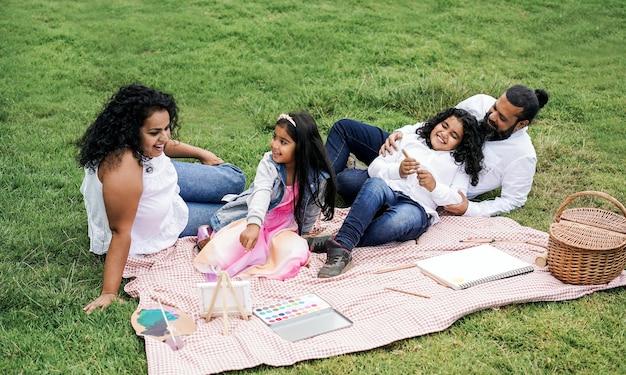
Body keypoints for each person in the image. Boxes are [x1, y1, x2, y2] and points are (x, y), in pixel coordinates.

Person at [77, 84, 245, 313]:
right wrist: (109, 293)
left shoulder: (143, 146)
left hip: (163, 184)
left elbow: (162, 145)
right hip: (160, 224)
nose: (164, 137)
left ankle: (229, 198)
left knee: (234, 179)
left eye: (166, 128)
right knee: (239, 211)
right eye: (155, 132)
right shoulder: (123, 170)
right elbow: (120, 232)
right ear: (130, 131)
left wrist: (200, 153)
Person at [326, 84, 549, 217]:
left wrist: (469, 208)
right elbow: (438, 123)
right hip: (413, 150)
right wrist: (401, 133)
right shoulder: (479, 101)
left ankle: (355, 177)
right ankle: (313, 188)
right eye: (494, 108)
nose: (490, 116)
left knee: (348, 182)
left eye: (501, 118)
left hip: (430, 186)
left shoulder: (522, 156)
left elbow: (513, 200)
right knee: (345, 128)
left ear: (521, 124)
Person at [318, 108, 484, 278]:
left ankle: (339, 240)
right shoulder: (412, 140)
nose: (444, 133)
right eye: (444, 125)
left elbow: (457, 199)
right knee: (374, 184)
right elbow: (375, 168)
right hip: (389, 190)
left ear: (461, 144)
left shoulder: (459, 165)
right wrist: (398, 171)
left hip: (416, 208)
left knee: (398, 221)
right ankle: (342, 247)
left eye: (454, 135)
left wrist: (435, 187)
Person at [193, 111, 336, 281]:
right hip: (258, 218)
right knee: (233, 250)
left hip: (285, 227)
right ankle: (210, 239)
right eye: (275, 137)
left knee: (295, 252)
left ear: (301, 148)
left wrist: (303, 235)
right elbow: (261, 193)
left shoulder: (316, 177)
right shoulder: (269, 164)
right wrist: (253, 225)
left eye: (283, 142)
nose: (274, 145)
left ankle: (269, 256)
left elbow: (311, 209)